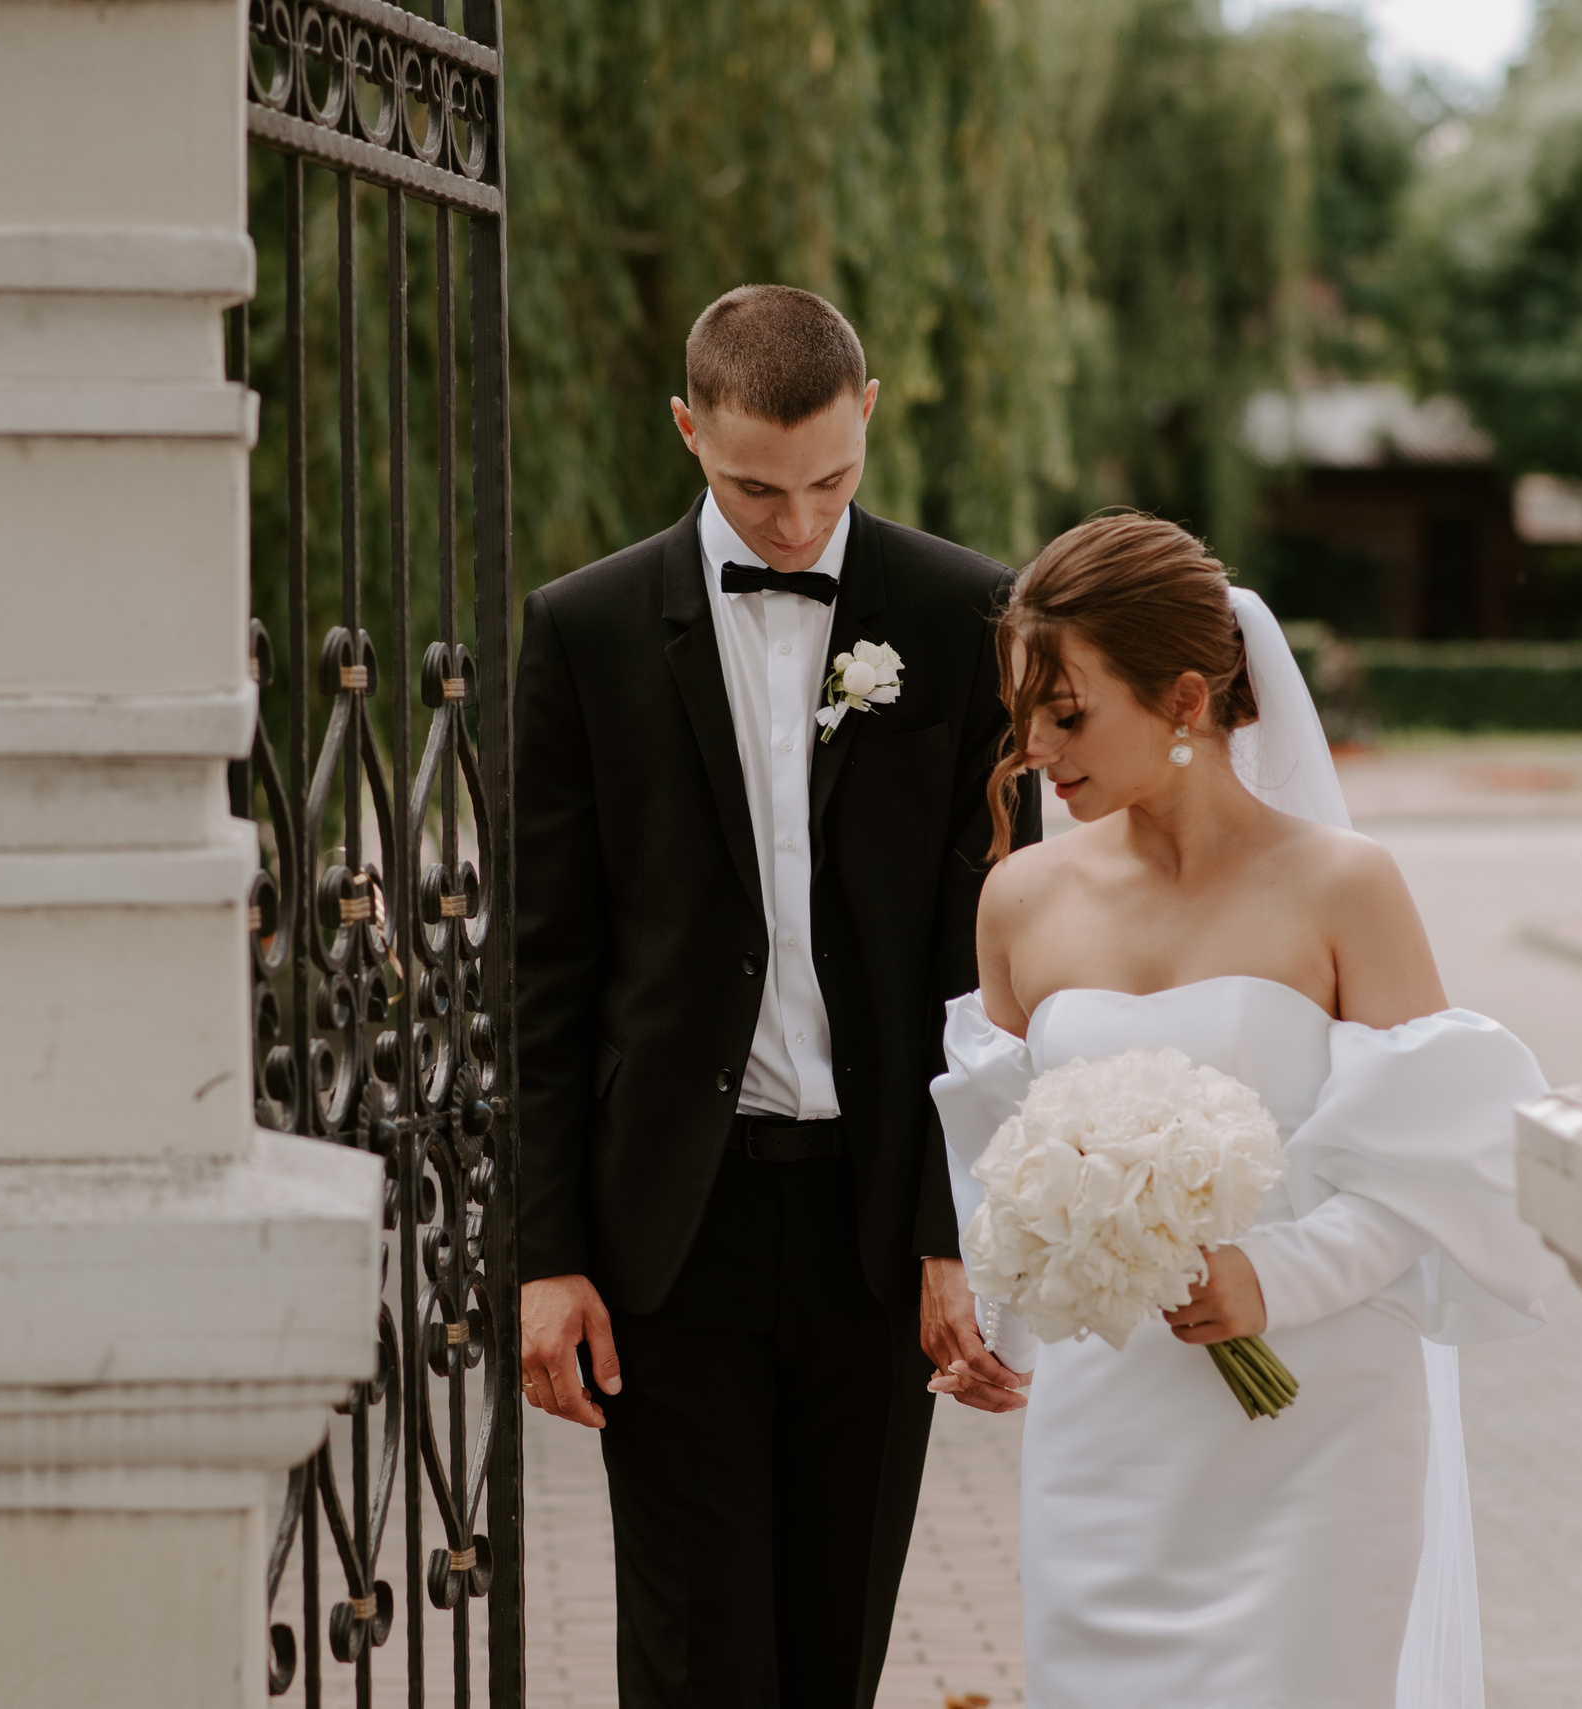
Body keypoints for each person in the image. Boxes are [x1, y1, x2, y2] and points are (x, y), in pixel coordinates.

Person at [928, 513, 1565, 1707]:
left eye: (1067, 713)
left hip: (1315, 1426)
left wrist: (1274, 1279)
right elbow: (1003, 1156)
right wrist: (996, 1319)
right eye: (1022, 711)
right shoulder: (1018, 898)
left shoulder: (1343, 885)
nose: (1033, 749)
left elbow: (1436, 1174)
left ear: (1181, 700)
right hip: (1107, 1431)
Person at [512, 284, 1042, 1707]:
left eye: (829, 481)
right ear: (688, 429)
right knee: (696, 1659)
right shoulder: (585, 630)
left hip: (875, 1225)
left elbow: (989, 955)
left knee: (831, 1649)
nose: (795, 524)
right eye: (754, 487)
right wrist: (544, 1250)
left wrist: (955, 1229)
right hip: (671, 1235)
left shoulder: (968, 611)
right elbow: (547, 970)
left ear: (867, 416)